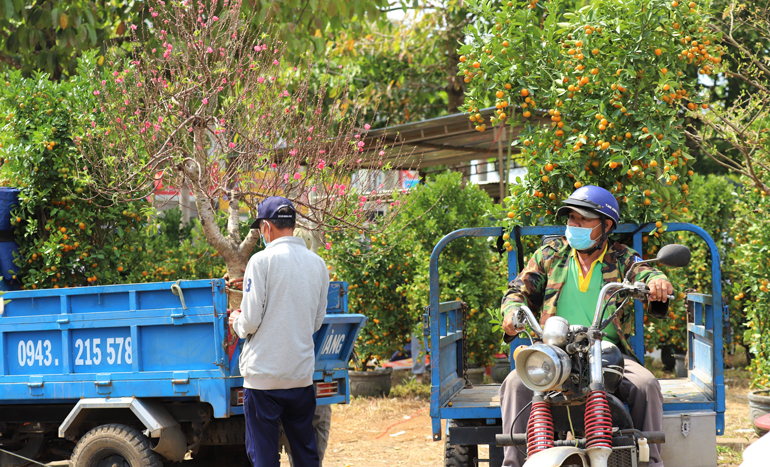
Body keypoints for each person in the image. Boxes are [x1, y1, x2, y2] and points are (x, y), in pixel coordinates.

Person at [499, 185, 674, 467]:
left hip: (606, 352)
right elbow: (517, 290)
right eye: (571, 219)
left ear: (606, 226)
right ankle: (514, 463)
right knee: (514, 385)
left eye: (582, 220)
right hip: (553, 351)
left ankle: (651, 463)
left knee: (646, 385)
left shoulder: (622, 257)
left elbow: (646, 270)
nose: (574, 225)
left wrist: (657, 281)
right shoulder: (550, 254)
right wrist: (511, 312)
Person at [229, 196, 329, 467]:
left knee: (263, 455)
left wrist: (236, 321)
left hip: (264, 380)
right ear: (292, 224)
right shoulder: (317, 264)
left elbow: (250, 321)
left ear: (266, 227)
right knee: (306, 453)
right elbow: (317, 321)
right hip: (300, 376)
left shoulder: (261, 262)